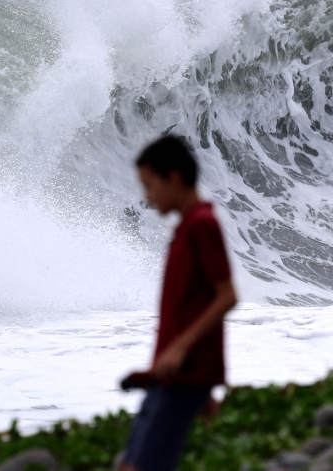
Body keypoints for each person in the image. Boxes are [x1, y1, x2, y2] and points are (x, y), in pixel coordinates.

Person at [119, 135, 238, 471]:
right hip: (172, 375)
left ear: (174, 178)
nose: (147, 196)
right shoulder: (187, 228)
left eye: (150, 185)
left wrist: (181, 351)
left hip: (185, 374)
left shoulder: (203, 225)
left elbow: (227, 295)